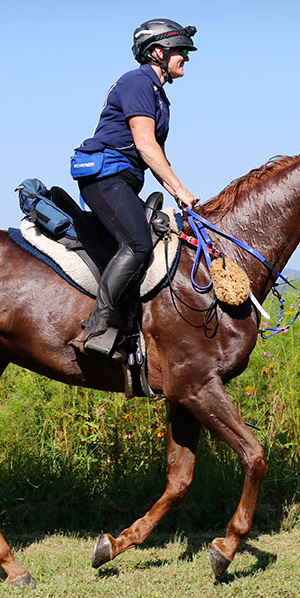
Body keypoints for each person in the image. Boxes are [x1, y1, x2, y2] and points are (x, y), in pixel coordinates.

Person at [67, 18, 200, 357]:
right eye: (180, 50)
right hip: (106, 178)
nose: (186, 56)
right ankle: (97, 326)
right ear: (158, 52)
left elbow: (158, 157)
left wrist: (175, 192)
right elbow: (145, 144)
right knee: (138, 243)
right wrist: (180, 190)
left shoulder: (158, 94)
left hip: (124, 178)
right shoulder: (138, 83)